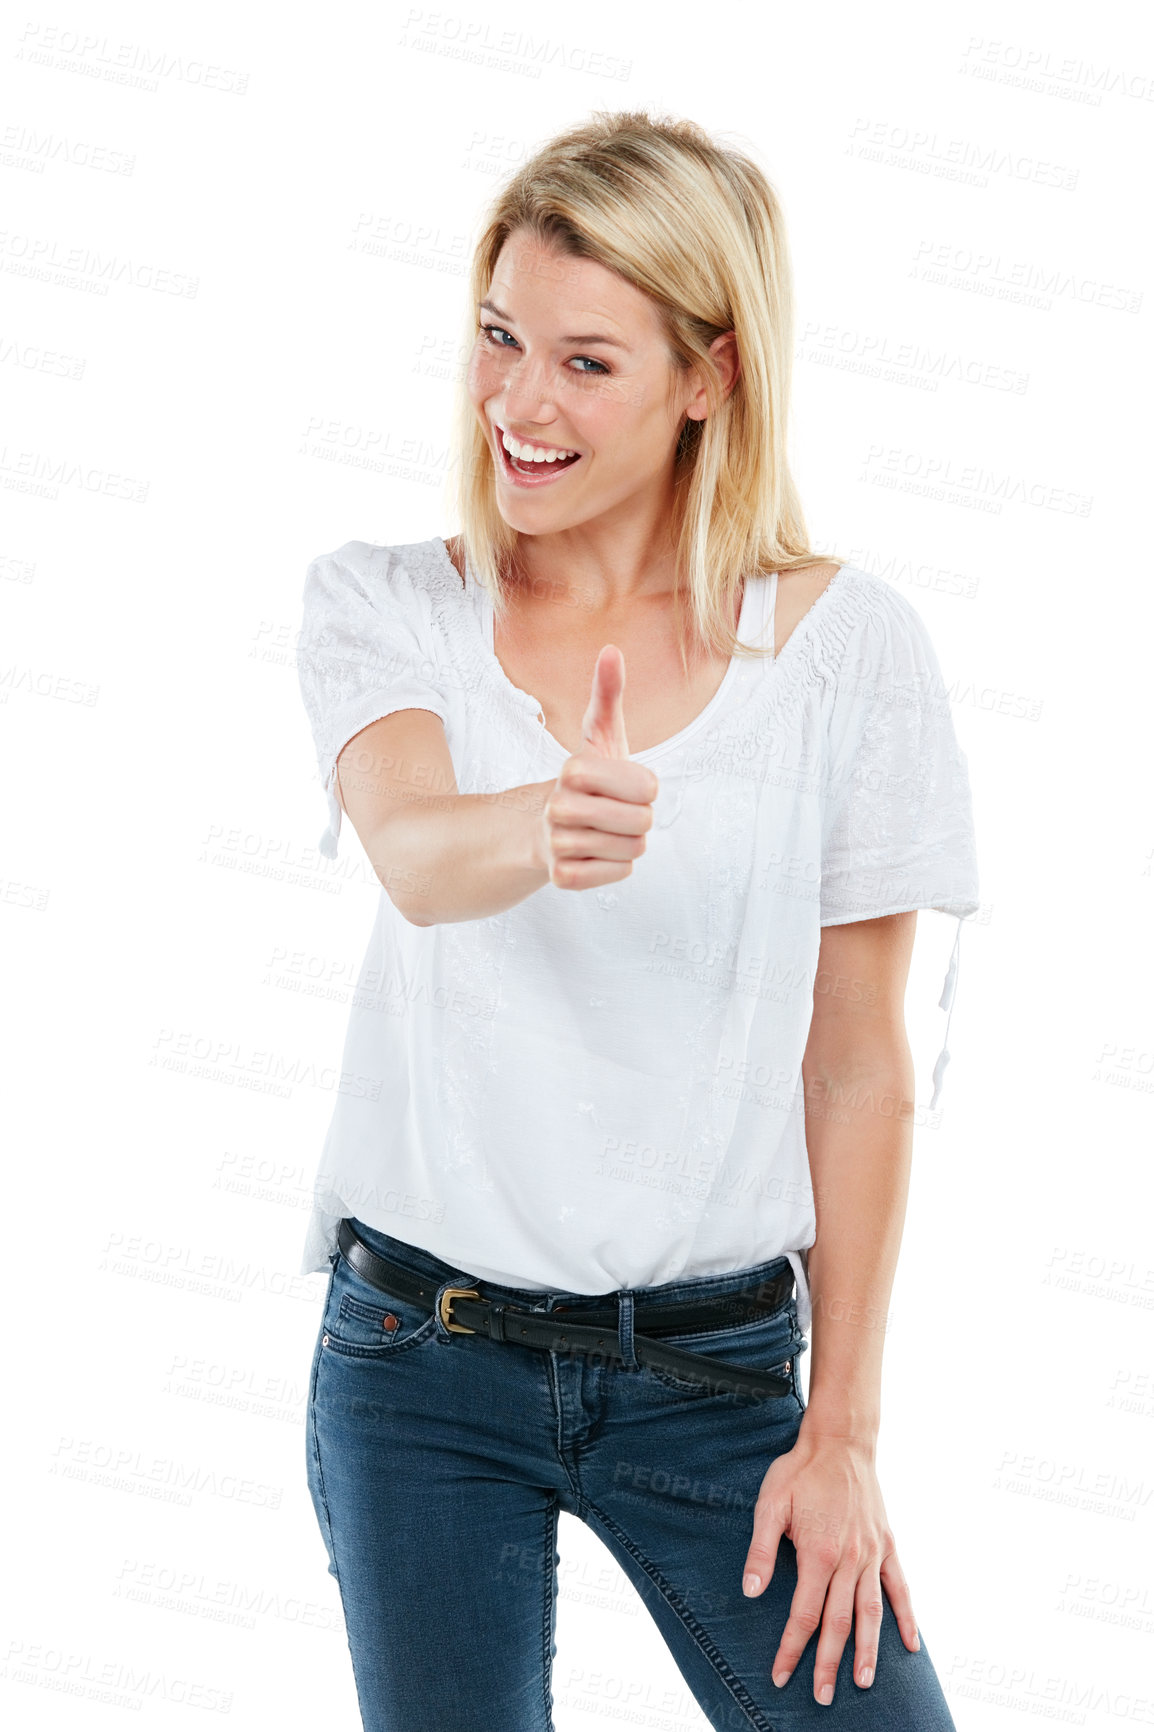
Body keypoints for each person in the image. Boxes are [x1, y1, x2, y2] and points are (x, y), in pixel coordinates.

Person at [295, 110, 977, 1730]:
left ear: (711, 376)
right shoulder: (388, 603)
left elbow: (861, 1070)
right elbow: (411, 849)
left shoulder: (843, 653)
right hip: (420, 1363)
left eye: (586, 364)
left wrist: (843, 1434)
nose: (519, 403)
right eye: (498, 337)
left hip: (719, 1380)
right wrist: (544, 820)